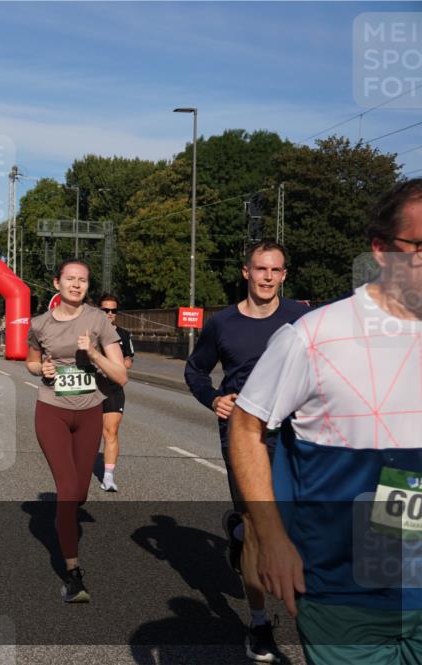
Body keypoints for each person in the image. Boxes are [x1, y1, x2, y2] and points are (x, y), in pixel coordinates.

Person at [231, 179, 422, 665]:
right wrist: (271, 538)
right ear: (382, 250)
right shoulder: (316, 336)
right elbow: (247, 427)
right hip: (345, 588)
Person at [184, 239, 307, 662]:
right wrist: (213, 398)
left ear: (284, 275)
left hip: (294, 434)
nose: (268, 277)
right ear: (246, 272)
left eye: (275, 270)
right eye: (260, 269)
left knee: (296, 521)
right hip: (242, 434)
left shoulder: (303, 318)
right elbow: (195, 369)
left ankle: (236, 533)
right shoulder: (223, 323)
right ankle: (258, 623)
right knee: (257, 524)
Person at [26, 259, 127, 603]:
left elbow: (121, 376)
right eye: (70, 279)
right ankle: (73, 575)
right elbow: (31, 360)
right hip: (51, 411)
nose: (76, 284)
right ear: (57, 283)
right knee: (68, 490)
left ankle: (66, 519)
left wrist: (94, 353)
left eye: (82, 280)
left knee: (79, 493)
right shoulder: (40, 324)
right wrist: (43, 368)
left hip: (89, 412)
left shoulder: (98, 320)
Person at [96, 294, 135, 492]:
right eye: (105, 310)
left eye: (113, 311)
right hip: (91, 388)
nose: (109, 314)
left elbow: (129, 360)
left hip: (112, 388)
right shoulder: (90, 333)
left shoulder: (124, 334)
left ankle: (108, 476)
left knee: (110, 432)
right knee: (89, 434)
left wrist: (118, 365)